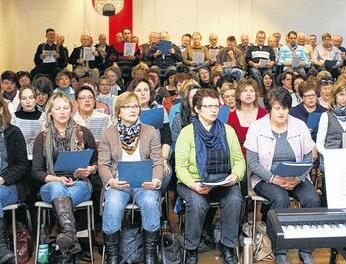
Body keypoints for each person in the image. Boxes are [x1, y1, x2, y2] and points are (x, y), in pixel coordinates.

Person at [244, 88, 320, 264]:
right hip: (266, 177)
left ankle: (306, 248)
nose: (281, 112)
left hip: (296, 176)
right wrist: (275, 179)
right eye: (277, 108)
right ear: (270, 109)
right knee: (280, 199)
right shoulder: (257, 127)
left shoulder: (299, 125)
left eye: (285, 108)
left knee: (313, 200)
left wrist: (299, 178)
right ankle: (280, 250)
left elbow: (309, 156)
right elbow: (253, 163)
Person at [175, 88, 245, 264]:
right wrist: (193, 185)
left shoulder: (227, 131)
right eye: (208, 106)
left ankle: (228, 246)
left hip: (222, 180)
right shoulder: (187, 132)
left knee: (234, 200)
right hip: (193, 181)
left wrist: (235, 176)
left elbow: (239, 160)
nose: (214, 110)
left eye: (216, 106)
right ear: (197, 109)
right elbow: (180, 167)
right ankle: (191, 249)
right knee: (198, 204)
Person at [32, 92, 98, 261]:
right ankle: (70, 235)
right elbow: (36, 171)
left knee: (66, 194)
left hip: (79, 183)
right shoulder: (42, 137)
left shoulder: (83, 133)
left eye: (66, 108)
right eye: (57, 108)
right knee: (57, 188)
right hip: (51, 184)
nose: (62, 112)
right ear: (50, 112)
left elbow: (97, 161)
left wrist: (89, 170)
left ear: (71, 110)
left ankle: (66, 245)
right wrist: (58, 179)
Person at [99, 92, 164, 264]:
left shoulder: (151, 131)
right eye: (127, 107)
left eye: (135, 106)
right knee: (112, 203)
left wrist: (156, 180)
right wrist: (111, 181)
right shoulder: (108, 134)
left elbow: (158, 161)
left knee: (150, 202)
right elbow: (103, 165)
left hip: (145, 183)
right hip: (118, 183)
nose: (132, 110)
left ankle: (150, 254)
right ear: (118, 111)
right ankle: (112, 256)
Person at [0, 91, 28, 264]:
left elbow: (21, 164)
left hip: (8, 185)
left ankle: (1, 247)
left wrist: (2, 179)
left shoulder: (13, 132)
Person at [316, 81, 346, 171]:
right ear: (335, 95)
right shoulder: (326, 116)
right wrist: (329, 156)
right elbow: (319, 143)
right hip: (330, 158)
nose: (345, 98)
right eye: (341, 94)